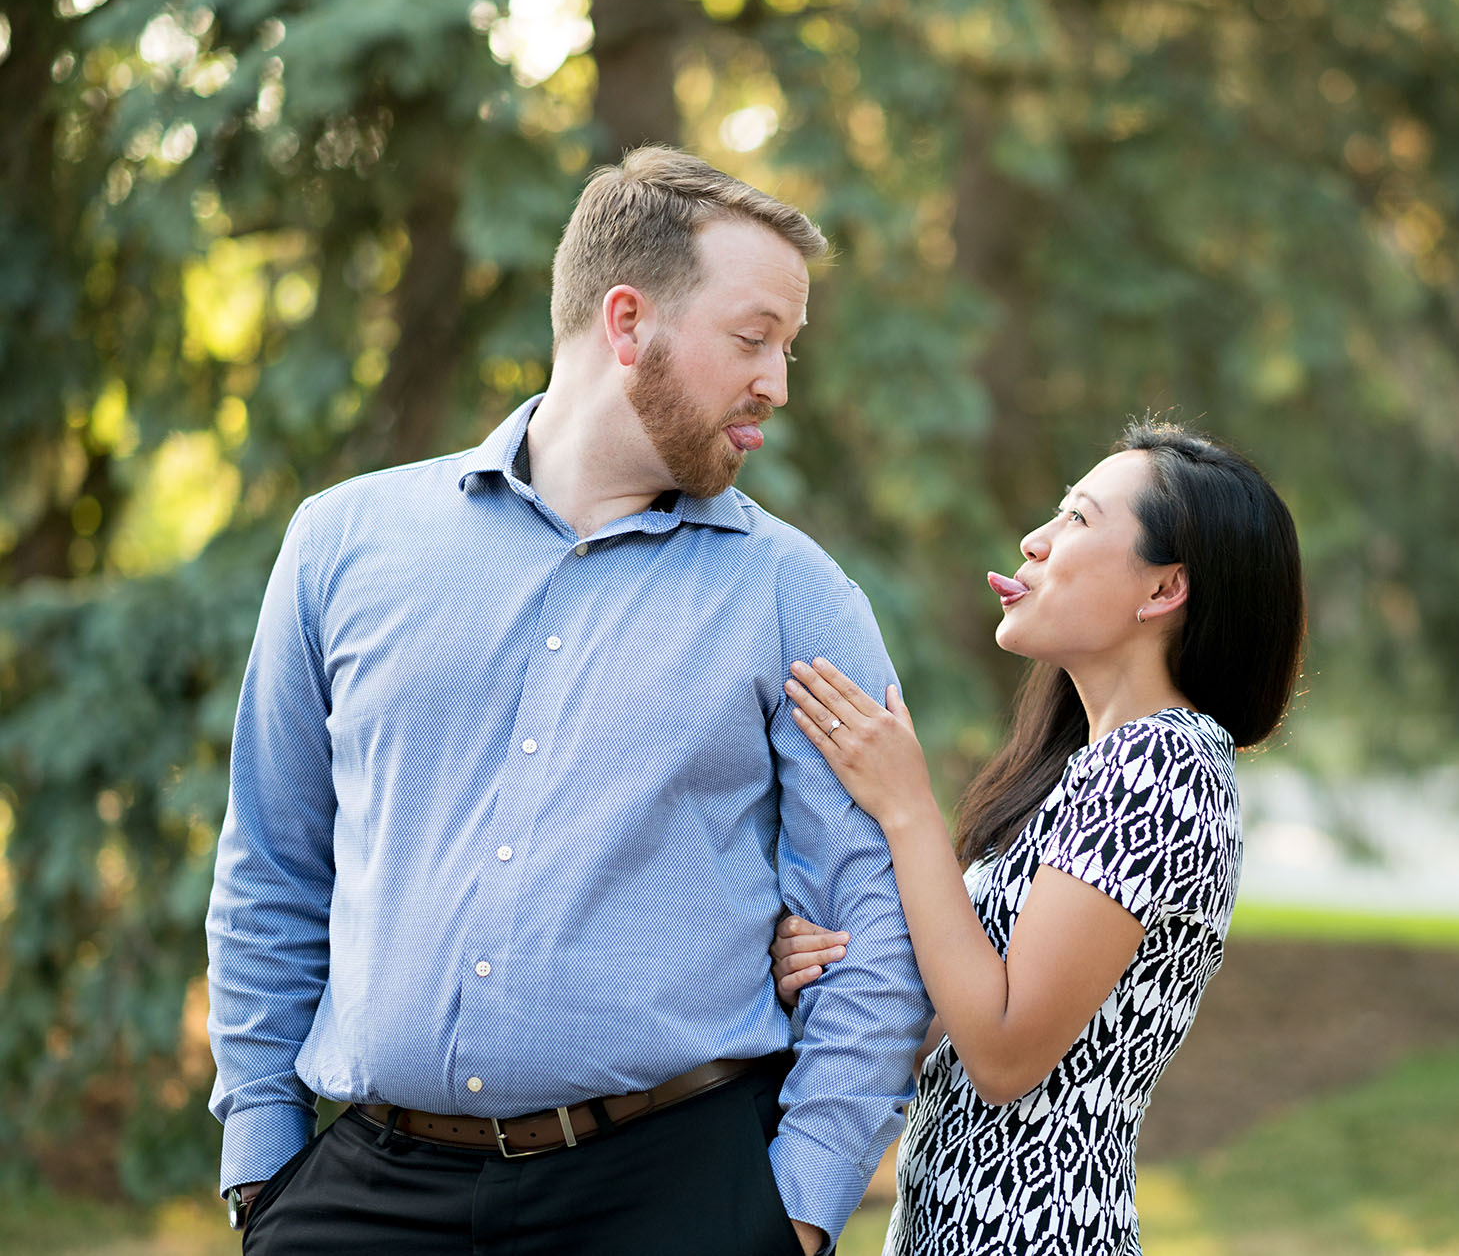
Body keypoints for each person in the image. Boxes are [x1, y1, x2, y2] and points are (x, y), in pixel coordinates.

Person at [205, 146, 930, 1254]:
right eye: (753, 338)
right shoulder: (341, 544)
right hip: (364, 1195)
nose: (778, 383)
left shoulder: (798, 596)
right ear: (628, 322)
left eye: (789, 346)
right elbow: (272, 861)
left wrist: (799, 1206)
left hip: (670, 1194)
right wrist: (262, 1158)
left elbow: (870, 925)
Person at [772, 423, 1304, 1255]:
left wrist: (907, 804)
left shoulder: (1161, 763)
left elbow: (1006, 1053)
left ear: (1164, 589)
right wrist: (832, 966)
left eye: (1080, 519)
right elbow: (961, 1021)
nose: (1035, 539)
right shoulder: (1093, 770)